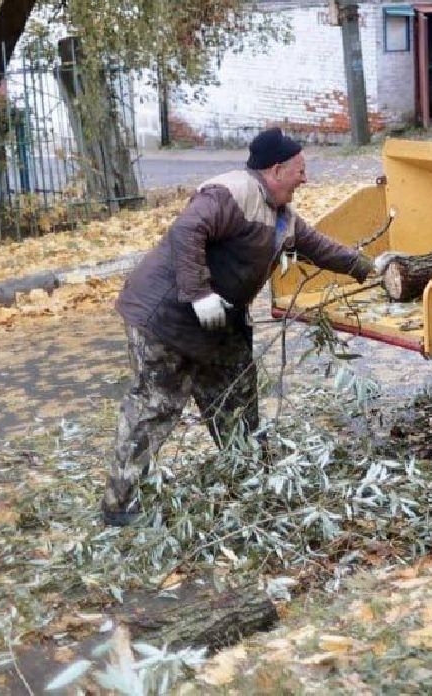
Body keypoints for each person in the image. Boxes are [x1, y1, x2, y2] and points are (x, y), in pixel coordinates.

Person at [101, 127, 395, 526]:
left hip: (219, 324)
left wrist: (372, 269)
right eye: (300, 170)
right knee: (155, 407)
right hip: (165, 317)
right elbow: (188, 230)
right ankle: (120, 505)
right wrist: (198, 292)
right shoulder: (229, 193)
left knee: (237, 402)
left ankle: (252, 481)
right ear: (276, 170)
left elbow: (321, 248)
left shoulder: (281, 216)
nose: (305, 179)